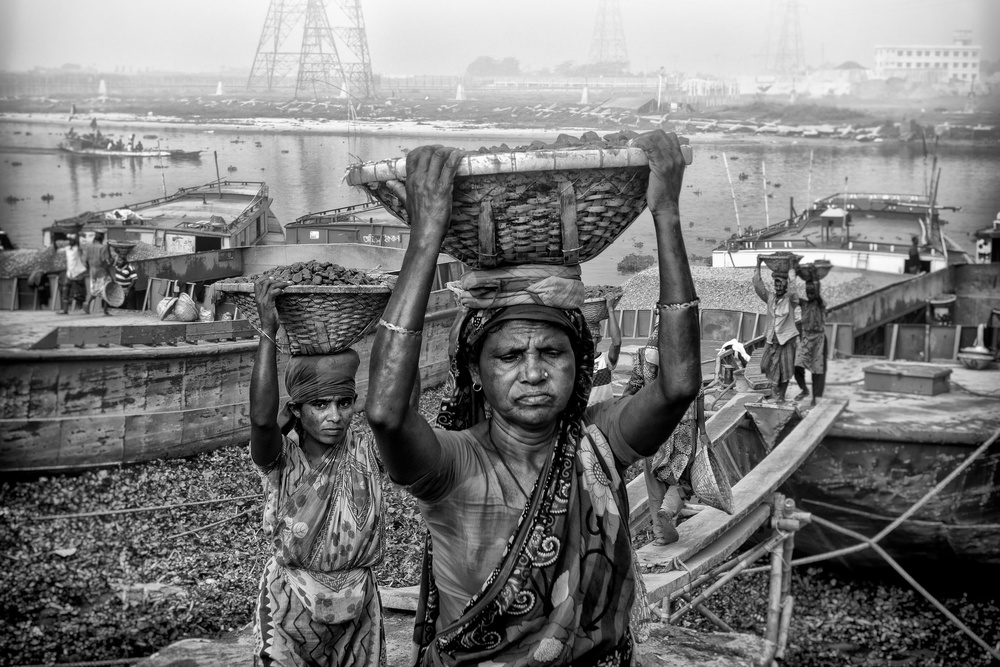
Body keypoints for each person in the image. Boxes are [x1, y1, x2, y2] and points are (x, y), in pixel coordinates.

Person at [366, 130, 701, 665]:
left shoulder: (598, 447)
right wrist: (425, 236)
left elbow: (678, 386)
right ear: (475, 373)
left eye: (552, 352)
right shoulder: (452, 464)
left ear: (579, 362)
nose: (534, 373)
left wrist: (666, 213)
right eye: (508, 357)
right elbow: (385, 412)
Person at [249, 278, 387, 666]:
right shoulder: (281, 460)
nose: (334, 416)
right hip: (289, 604)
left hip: (358, 605)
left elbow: (395, 413)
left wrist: (391, 325)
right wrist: (268, 332)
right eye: (320, 405)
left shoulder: (366, 451)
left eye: (344, 403)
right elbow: (261, 423)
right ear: (296, 410)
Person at [624, 322, 694, 546]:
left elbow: (629, 392)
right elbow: (698, 392)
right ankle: (669, 509)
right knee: (685, 478)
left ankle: (660, 536)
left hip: (650, 429)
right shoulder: (682, 356)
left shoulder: (642, 357)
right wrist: (701, 429)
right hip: (679, 428)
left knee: (654, 483)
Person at [753, 257, 805, 403]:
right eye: (776, 284)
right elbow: (758, 286)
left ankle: (780, 396)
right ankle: (776, 391)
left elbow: (794, 289)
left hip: (787, 340)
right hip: (771, 339)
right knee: (766, 365)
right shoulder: (770, 298)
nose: (778, 287)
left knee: (784, 371)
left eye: (781, 284)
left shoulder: (791, 300)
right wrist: (758, 265)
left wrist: (792, 269)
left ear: (785, 285)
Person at [793, 280, 826, 407]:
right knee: (797, 365)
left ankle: (816, 397)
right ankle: (804, 389)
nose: (810, 293)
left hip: (818, 339)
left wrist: (814, 280)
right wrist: (792, 274)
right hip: (806, 338)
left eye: (812, 291)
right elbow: (793, 296)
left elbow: (819, 299)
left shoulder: (820, 304)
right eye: (808, 290)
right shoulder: (804, 304)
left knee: (817, 370)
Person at [587, 294, 622, 406]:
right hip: (584, 415)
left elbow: (616, 343)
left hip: (605, 413)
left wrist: (610, 310)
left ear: (599, 339)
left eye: (592, 337)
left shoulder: (605, 360)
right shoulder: (575, 362)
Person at [83, 232, 113, 316]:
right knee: (107, 289)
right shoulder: (103, 247)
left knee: (95, 289)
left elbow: (85, 261)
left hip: (92, 271)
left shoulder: (89, 247)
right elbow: (107, 260)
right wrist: (109, 251)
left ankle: (87, 303)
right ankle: (105, 311)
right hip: (102, 271)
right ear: (101, 238)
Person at [57, 234, 87, 314]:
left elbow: (81, 248)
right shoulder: (67, 249)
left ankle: (83, 309)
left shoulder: (78, 249)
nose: (71, 242)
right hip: (70, 273)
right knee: (65, 291)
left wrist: (77, 236)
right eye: (70, 241)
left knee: (80, 292)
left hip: (78, 272)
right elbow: (58, 249)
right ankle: (65, 310)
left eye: (72, 241)